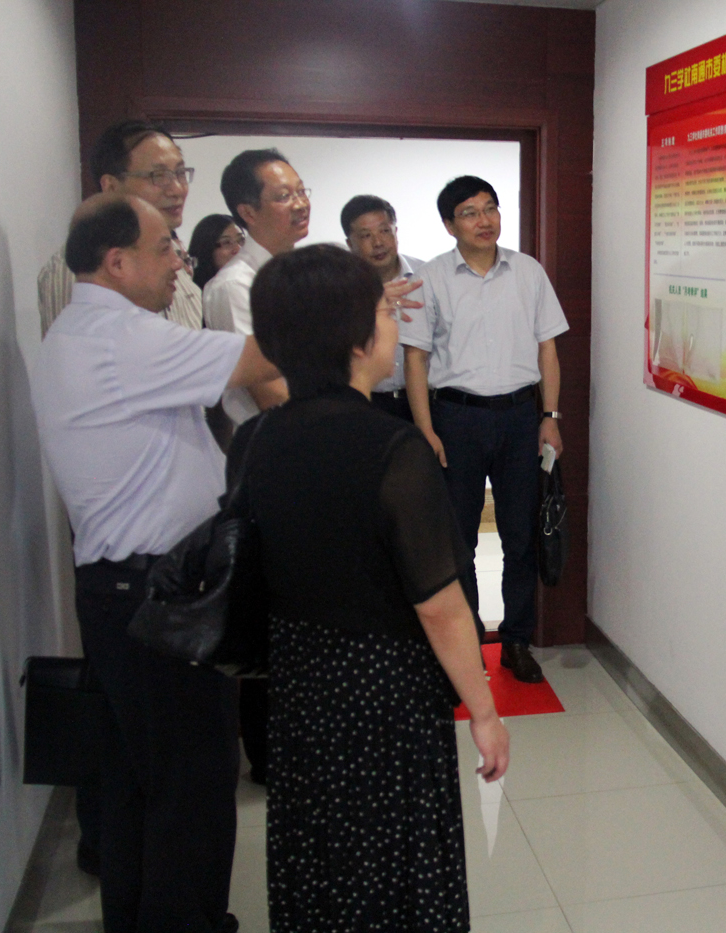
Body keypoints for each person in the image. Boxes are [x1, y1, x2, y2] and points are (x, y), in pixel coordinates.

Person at [233, 244, 508, 932]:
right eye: (386, 311)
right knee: (394, 852)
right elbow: (440, 606)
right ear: (357, 341)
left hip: (300, 682)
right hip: (383, 688)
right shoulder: (394, 449)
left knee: (320, 847)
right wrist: (484, 711)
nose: (395, 323)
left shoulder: (256, 438)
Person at [32, 193, 281, 933]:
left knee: (139, 781)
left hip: (121, 591)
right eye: (166, 247)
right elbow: (260, 358)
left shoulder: (80, 331)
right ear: (116, 262)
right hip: (153, 596)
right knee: (191, 784)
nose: (181, 262)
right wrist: (341, 302)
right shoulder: (121, 339)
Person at [400, 176, 568, 684]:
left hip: (520, 418)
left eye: (490, 208)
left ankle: (516, 640)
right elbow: (415, 358)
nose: (484, 220)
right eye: (469, 212)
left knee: (520, 536)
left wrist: (550, 417)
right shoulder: (429, 278)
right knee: (459, 542)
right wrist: (425, 430)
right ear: (449, 224)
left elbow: (547, 349)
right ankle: (467, 643)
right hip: (456, 419)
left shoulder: (527, 271)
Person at [38, 119, 202, 338]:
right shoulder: (81, 268)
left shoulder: (176, 265)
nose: (177, 189)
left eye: (180, 173)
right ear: (111, 186)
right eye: (159, 176)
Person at [203, 148, 310, 426]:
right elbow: (268, 392)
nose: (300, 204)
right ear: (248, 212)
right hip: (275, 436)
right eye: (284, 196)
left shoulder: (304, 275)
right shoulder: (235, 285)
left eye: (301, 191)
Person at [342, 194, 424, 422]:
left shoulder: (426, 276)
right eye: (366, 235)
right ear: (350, 243)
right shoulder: (339, 287)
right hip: (366, 404)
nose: (378, 243)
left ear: (396, 232)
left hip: (426, 401)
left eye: (384, 231)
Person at [188, 214, 245, 290]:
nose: (238, 249)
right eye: (226, 242)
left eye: (241, 240)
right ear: (207, 250)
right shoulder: (221, 288)